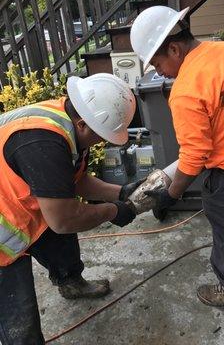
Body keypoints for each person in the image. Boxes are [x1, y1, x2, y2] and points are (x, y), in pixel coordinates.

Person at [130, 6, 224, 308]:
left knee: (222, 212)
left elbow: (194, 156)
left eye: (158, 63)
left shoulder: (186, 90)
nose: (158, 72)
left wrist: (171, 194)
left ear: (174, 48)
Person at [0, 73, 141, 344]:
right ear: (83, 125)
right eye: (102, 137)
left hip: (18, 197)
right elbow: (63, 218)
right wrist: (114, 211)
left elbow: (75, 181)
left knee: (59, 242)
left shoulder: (69, 122)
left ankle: (70, 282)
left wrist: (121, 192)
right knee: (19, 318)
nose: (104, 142)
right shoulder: (44, 143)